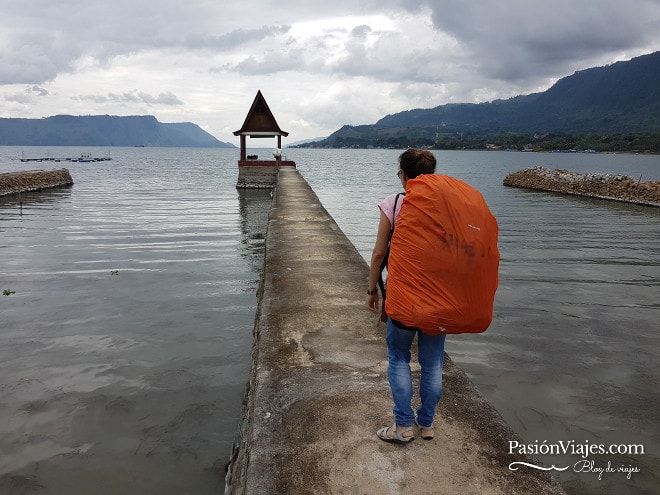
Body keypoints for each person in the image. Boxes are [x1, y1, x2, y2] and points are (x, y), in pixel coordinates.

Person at [366, 148, 443, 443]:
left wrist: (372, 290)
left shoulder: (395, 203)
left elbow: (378, 254)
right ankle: (426, 424)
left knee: (399, 358)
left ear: (403, 175)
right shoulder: (445, 206)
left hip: (403, 297)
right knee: (433, 363)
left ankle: (402, 426)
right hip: (439, 299)